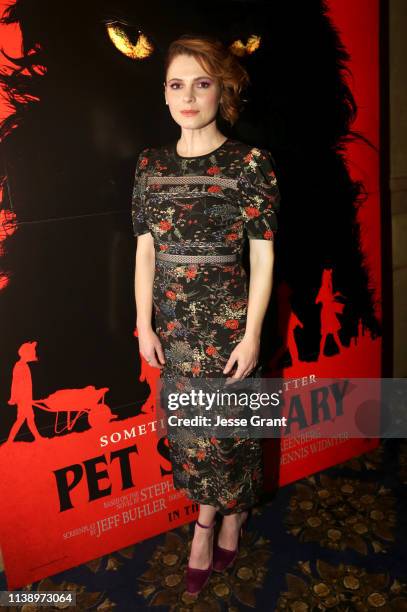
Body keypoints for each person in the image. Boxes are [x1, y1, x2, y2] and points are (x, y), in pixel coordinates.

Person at [131, 34, 280, 597]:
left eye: (202, 82)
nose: (188, 95)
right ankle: (229, 515)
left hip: (227, 327)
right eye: (177, 83)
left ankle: (209, 525)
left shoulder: (250, 164)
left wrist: (253, 333)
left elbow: (263, 255)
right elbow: (145, 249)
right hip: (175, 326)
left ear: (224, 90)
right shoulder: (149, 165)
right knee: (192, 434)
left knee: (231, 432)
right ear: (164, 93)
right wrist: (144, 324)